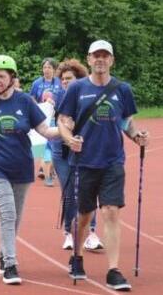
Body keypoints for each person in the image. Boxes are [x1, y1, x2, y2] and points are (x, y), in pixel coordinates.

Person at [58, 40, 149, 291]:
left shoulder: (123, 89)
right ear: (88, 59)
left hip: (112, 161)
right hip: (84, 161)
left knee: (111, 211)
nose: (100, 60)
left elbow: (126, 122)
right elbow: (64, 120)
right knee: (85, 215)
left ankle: (113, 270)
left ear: (112, 60)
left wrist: (137, 136)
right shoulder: (76, 88)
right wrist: (69, 138)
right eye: (96, 55)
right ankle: (76, 256)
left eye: (105, 56)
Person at [0, 55, 59, 285]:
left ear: (12, 78)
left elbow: (46, 131)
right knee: (7, 213)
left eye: (1, 76)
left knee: (15, 217)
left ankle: (3, 252)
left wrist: (68, 131)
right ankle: (10, 263)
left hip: (21, 166)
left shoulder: (25, 102)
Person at [50, 59, 103, 251]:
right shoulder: (56, 100)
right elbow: (51, 125)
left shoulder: (88, 96)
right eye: (63, 79)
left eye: (69, 78)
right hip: (62, 152)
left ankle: (91, 233)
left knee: (87, 191)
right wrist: (63, 130)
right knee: (70, 192)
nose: (65, 82)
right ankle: (68, 233)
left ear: (79, 79)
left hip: (83, 152)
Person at [30, 58, 62, 184]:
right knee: (47, 145)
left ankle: (47, 170)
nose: (46, 70)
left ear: (54, 69)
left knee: (54, 146)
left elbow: (64, 96)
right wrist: (38, 107)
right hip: (41, 118)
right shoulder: (37, 83)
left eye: (49, 67)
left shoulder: (59, 82)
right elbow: (31, 98)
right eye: (44, 67)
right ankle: (48, 175)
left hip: (57, 117)